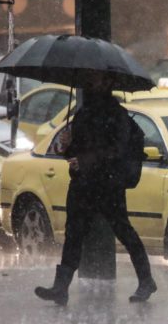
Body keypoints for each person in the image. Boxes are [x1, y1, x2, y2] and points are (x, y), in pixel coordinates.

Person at [34, 72, 156, 306]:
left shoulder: (117, 116)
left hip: (108, 185)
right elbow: (74, 152)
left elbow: (117, 151)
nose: (90, 83)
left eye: (95, 79)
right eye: (88, 79)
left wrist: (86, 160)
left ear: (108, 83)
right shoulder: (83, 113)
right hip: (82, 184)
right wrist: (66, 145)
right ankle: (61, 287)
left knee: (123, 231)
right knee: (74, 234)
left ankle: (146, 279)